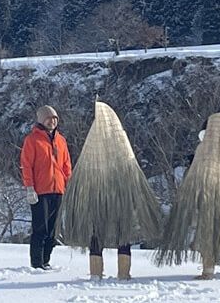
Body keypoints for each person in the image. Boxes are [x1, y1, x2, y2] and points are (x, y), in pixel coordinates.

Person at [56, 101, 162, 281]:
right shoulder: (109, 148)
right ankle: (115, 273)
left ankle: (111, 273)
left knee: (111, 233)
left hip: (113, 196)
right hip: (104, 196)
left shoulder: (106, 149)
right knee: (107, 233)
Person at [158, 111, 220, 279]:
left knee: (207, 233)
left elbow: (195, 176)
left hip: (208, 199)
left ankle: (208, 271)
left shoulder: (203, 150)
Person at [20, 105, 72, 270]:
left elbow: (66, 165)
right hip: (40, 191)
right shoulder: (32, 140)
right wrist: (29, 187)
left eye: (55, 118)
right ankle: (36, 263)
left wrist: (69, 184)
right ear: (42, 120)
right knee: (40, 228)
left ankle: (46, 260)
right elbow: (26, 165)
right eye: (49, 118)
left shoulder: (61, 140)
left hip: (58, 190)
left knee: (52, 230)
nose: (53, 121)